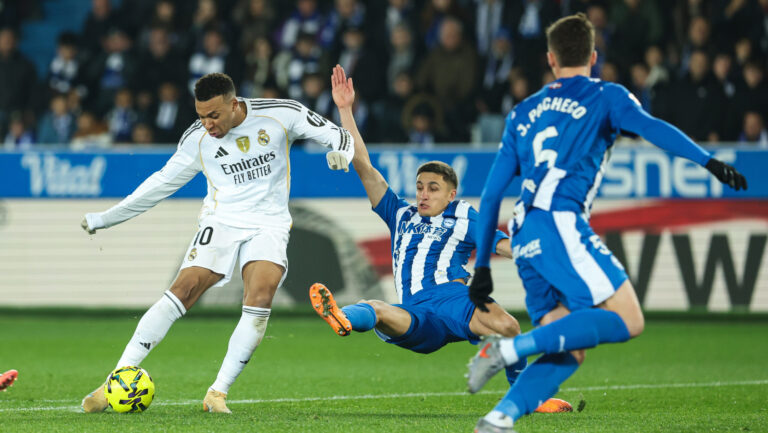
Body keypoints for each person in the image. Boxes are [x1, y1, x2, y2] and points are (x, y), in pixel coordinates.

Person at [465, 13, 747, 433]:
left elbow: (490, 196)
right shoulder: (606, 96)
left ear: (551, 59)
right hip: (559, 221)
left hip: (523, 235)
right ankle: (510, 350)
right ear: (593, 56)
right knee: (630, 319)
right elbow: (653, 128)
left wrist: (484, 267)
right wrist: (707, 160)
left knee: (569, 344)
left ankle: (499, 418)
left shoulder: (523, 112)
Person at [80, 72, 354, 414]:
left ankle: (217, 393)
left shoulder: (280, 113)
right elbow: (160, 183)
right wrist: (107, 218)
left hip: (268, 223)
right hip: (221, 220)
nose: (207, 124)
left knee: (261, 295)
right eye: (201, 116)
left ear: (234, 104)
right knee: (184, 289)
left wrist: (341, 151)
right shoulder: (197, 139)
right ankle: (112, 384)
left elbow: (336, 133)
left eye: (214, 115)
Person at [310, 65, 570, 414]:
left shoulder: (464, 216)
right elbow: (364, 167)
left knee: (508, 326)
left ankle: (528, 400)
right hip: (416, 312)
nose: (423, 194)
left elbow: (499, 243)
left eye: (433, 188)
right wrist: (345, 110)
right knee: (376, 308)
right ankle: (341, 317)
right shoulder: (399, 213)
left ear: (451, 194)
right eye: (419, 187)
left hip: (455, 300)